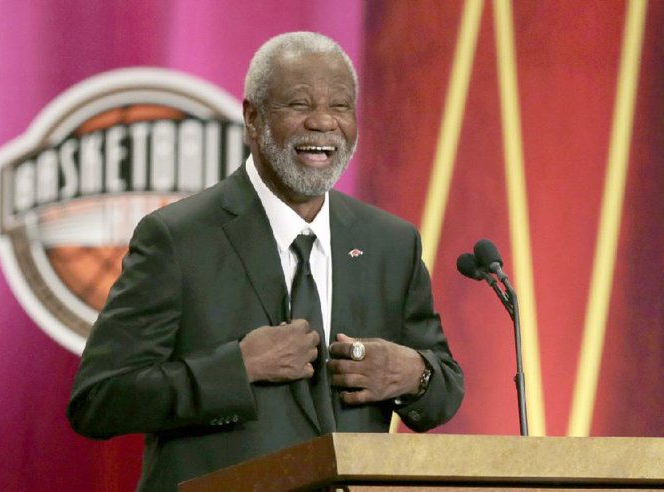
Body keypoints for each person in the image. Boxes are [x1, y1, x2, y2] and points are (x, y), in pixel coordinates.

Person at [67, 31, 464, 491]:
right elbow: (98, 400)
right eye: (299, 105)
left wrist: (413, 374)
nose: (323, 123)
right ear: (252, 118)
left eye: (340, 106)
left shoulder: (390, 243)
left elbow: (442, 393)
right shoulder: (178, 239)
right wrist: (235, 368)